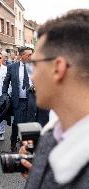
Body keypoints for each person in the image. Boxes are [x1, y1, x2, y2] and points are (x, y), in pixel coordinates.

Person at [19, 9, 89, 189]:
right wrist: (39, 175)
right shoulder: (53, 133)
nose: (32, 77)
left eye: (35, 63)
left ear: (58, 68)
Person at [2, 46, 36, 152]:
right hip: (18, 100)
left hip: (31, 99)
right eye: (29, 55)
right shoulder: (12, 67)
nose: (31, 57)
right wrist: (4, 95)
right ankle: (13, 141)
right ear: (21, 56)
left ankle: (26, 145)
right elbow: (6, 82)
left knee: (29, 123)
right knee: (17, 123)